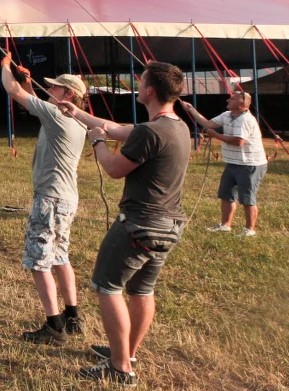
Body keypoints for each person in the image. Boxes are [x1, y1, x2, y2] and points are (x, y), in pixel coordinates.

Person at [57, 61, 192, 387]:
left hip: (139, 225)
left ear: (149, 91)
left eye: (140, 81)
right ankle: (126, 353)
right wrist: (75, 111)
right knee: (142, 290)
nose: (138, 85)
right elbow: (113, 126)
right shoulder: (176, 126)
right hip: (169, 226)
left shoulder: (150, 131)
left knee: (107, 287)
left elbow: (115, 169)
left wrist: (96, 142)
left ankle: (119, 368)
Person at [0, 55, 89, 345]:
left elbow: (13, 92)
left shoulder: (57, 116)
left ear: (69, 95)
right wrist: (28, 82)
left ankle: (54, 328)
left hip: (50, 199)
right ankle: (72, 317)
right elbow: (34, 102)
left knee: (39, 263)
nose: (50, 90)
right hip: (65, 199)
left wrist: (5, 66)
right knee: (61, 256)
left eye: (56, 88)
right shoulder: (72, 120)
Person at [181, 91, 266, 237]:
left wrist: (216, 135)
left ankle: (249, 229)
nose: (228, 100)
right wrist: (190, 109)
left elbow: (239, 141)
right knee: (226, 194)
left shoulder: (245, 119)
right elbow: (207, 123)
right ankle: (225, 225)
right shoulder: (227, 115)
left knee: (247, 197)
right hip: (233, 162)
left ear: (242, 103)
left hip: (250, 164)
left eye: (232, 98)